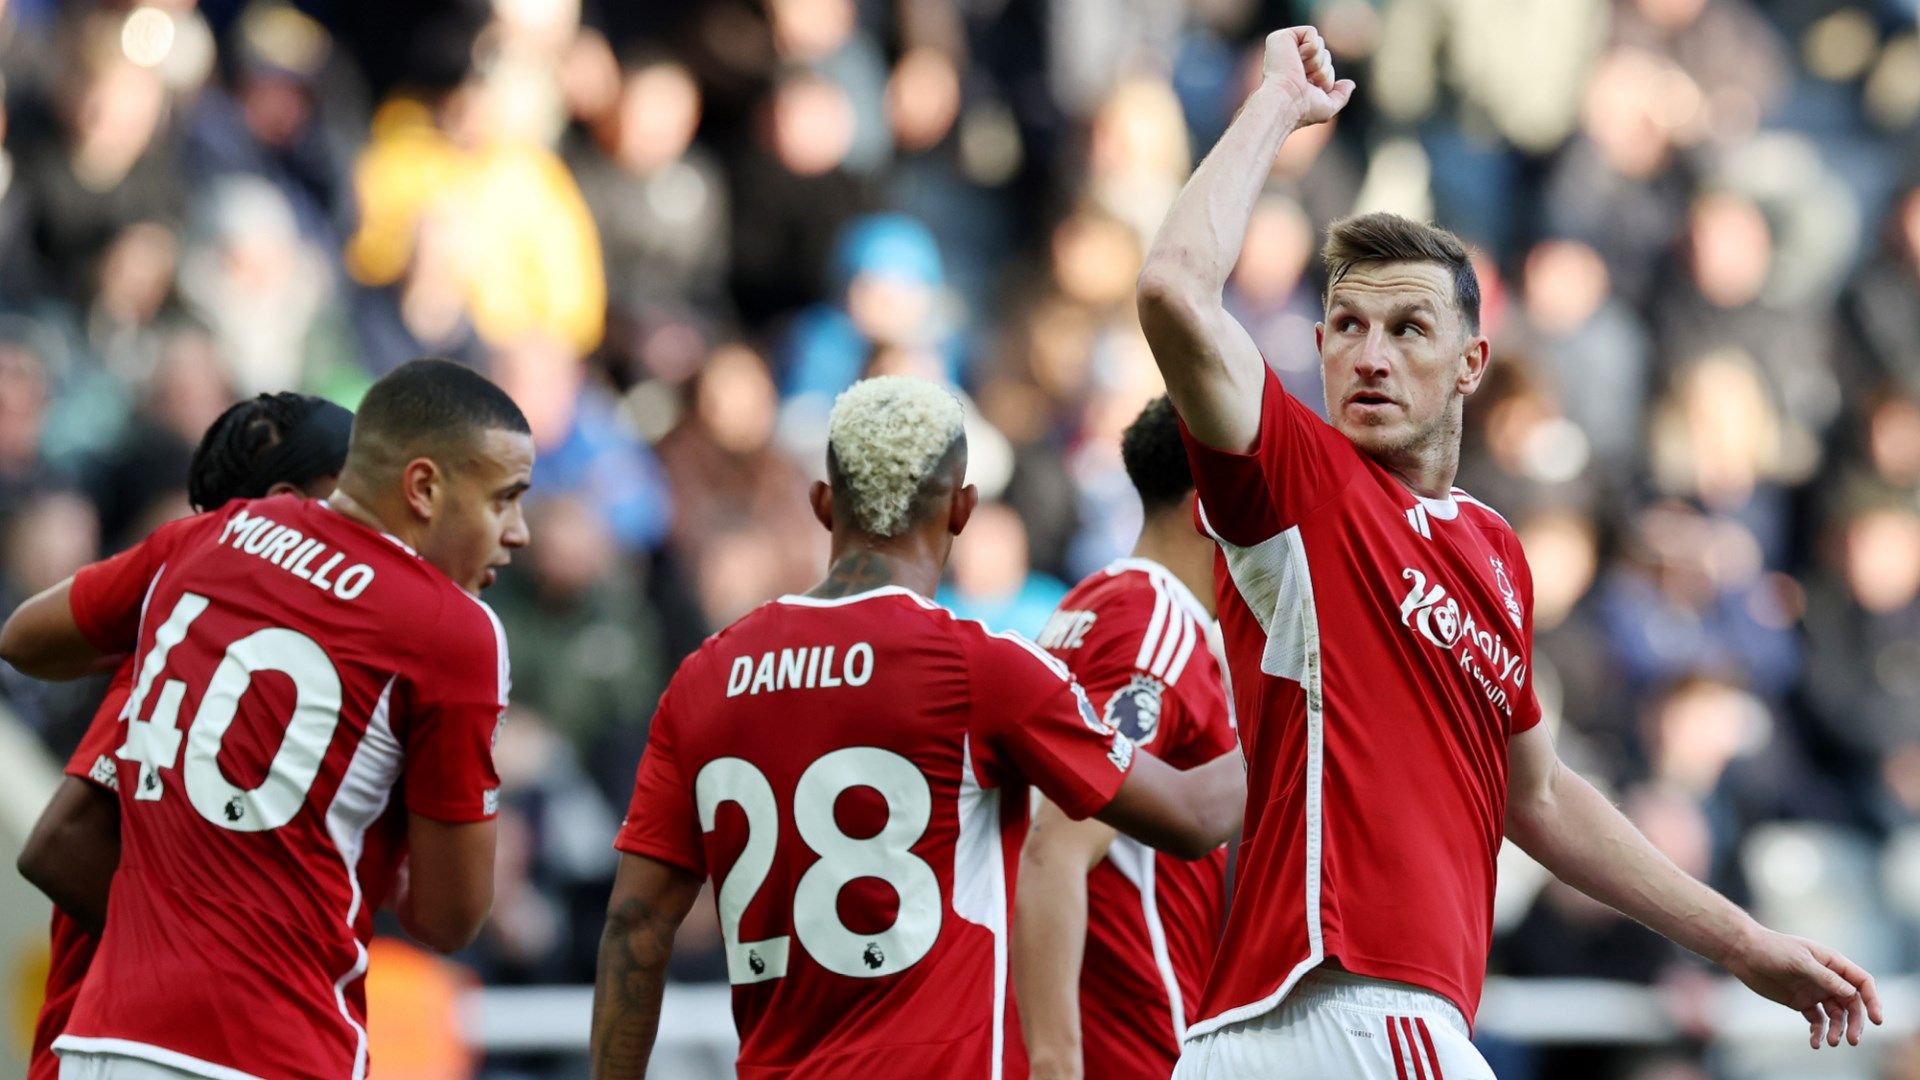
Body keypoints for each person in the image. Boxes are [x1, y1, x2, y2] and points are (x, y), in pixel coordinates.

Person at [1133, 26, 1882, 1078]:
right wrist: (1273, 108)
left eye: (1407, 329)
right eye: (1344, 326)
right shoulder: (1303, 482)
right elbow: (1173, 287)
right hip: (1340, 1007)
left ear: (1473, 362)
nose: (1370, 354)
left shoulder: (1493, 551)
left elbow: (1536, 795)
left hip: (1338, 1029)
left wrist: (1743, 944)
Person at [589, 376, 1244, 1079]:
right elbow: (1192, 815)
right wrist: (1319, 698)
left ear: (820, 502)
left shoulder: (705, 677)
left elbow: (637, 925)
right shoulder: (981, 670)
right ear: (962, 510)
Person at [0, 359, 532, 1079]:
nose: (519, 532)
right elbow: (447, 919)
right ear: (423, 487)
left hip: (102, 1040)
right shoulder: (453, 631)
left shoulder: (211, 546)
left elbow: (24, 639)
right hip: (268, 1046)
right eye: (505, 500)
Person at [16, 392, 353, 1080]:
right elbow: (60, 845)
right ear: (287, 503)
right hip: (123, 1045)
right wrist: (215, 962)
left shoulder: (276, 651)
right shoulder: (194, 648)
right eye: (356, 492)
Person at [1014, 395, 1238, 1079]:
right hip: (1137, 1049)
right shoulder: (1154, 629)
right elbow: (1055, 844)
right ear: (1209, 507)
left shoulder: (1087, 607)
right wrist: (1055, 1066)